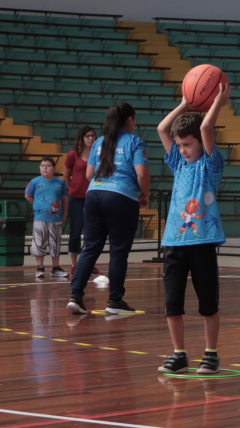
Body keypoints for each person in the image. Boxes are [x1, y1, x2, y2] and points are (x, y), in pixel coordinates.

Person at [154, 84, 232, 375]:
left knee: (208, 303)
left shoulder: (210, 167)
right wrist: (185, 104)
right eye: (180, 145)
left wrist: (218, 103)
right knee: (172, 304)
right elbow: (163, 128)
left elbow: (208, 126)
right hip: (174, 243)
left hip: (202, 243)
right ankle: (179, 354)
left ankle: (210, 355)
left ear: (199, 143)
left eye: (187, 144)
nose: (182, 149)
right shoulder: (178, 164)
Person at [66, 102, 150, 315]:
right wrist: (145, 194)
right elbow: (141, 174)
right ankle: (115, 302)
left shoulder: (99, 142)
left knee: (91, 247)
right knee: (118, 251)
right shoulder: (135, 142)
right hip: (121, 197)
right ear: (130, 120)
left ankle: (75, 296)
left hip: (94, 195)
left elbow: (88, 175)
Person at [63, 126, 101, 277]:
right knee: (75, 231)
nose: (90, 138)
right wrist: (72, 188)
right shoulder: (73, 154)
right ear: (81, 138)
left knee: (91, 232)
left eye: (92, 136)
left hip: (92, 197)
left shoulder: (98, 154)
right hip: (76, 198)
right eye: (87, 136)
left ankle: (89, 263)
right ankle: (74, 264)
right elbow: (66, 175)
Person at [25, 156, 69, 278]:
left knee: (55, 242)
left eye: (48, 166)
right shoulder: (35, 182)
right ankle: (40, 268)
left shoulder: (60, 183)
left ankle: (55, 268)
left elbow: (64, 199)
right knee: (39, 242)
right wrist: (37, 205)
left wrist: (64, 215)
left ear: (54, 168)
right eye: (42, 166)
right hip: (40, 218)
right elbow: (28, 195)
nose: (45, 168)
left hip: (55, 219)